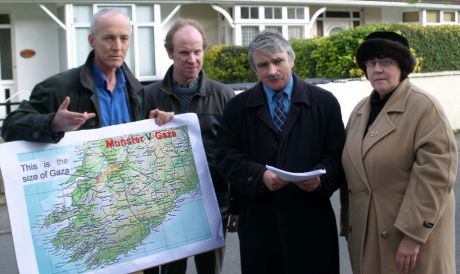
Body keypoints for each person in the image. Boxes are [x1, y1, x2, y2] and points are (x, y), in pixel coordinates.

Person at [215, 30, 345, 274]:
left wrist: (321, 180)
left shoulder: (324, 103)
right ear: (255, 69)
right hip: (260, 223)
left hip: (311, 219)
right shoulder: (238, 107)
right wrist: (259, 175)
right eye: (263, 65)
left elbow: (338, 155)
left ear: (291, 60)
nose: (272, 70)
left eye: (277, 61)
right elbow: (225, 155)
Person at [340, 31, 457, 274]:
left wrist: (414, 235)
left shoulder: (425, 108)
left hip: (411, 240)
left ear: (402, 67)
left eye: (386, 62)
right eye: (371, 63)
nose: (377, 69)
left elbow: (435, 177)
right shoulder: (360, 110)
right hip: (368, 235)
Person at [142, 19, 235, 274]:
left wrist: (236, 208)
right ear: (170, 53)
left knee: (210, 270)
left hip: (213, 206)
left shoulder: (225, 96)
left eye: (197, 51)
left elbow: (235, 153)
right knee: (171, 271)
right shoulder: (146, 97)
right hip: (165, 209)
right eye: (183, 52)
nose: (192, 59)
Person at [1, 8, 170, 143]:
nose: (117, 46)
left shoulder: (138, 91)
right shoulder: (59, 88)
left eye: (124, 38)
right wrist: (52, 123)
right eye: (109, 38)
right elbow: (9, 127)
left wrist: (152, 123)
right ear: (91, 41)